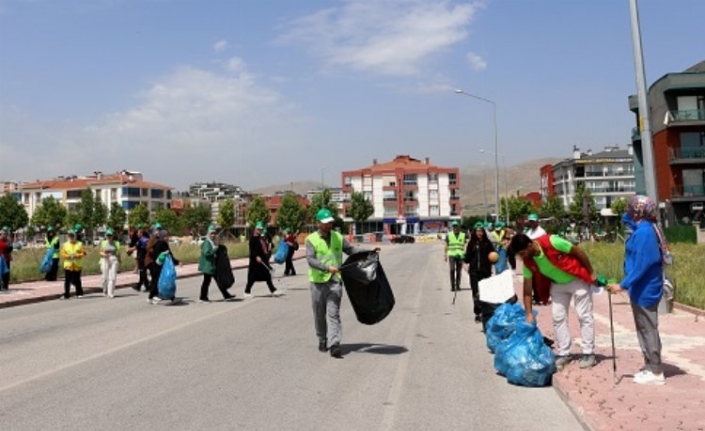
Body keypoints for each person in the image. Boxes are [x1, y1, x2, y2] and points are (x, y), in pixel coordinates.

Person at [508, 232, 598, 371]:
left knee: (584, 315)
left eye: (523, 252)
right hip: (557, 285)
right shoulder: (528, 262)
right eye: (519, 255)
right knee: (558, 317)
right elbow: (527, 290)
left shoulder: (552, 242)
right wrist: (529, 314)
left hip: (576, 280)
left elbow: (577, 251)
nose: (522, 257)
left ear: (530, 244)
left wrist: (591, 272)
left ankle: (588, 353)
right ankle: (564, 353)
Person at [607, 195, 667, 385]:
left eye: (631, 209)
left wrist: (623, 285)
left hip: (645, 288)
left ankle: (656, 371)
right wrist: (626, 216)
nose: (628, 211)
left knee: (648, 329)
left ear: (639, 211)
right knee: (643, 328)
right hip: (639, 288)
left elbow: (642, 264)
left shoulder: (644, 233)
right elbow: (628, 223)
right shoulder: (641, 228)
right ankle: (649, 365)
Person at [306, 208, 378, 358]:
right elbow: (311, 260)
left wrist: (369, 252)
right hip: (318, 282)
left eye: (330, 222)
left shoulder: (338, 237)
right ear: (318, 223)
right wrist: (326, 268)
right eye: (325, 223)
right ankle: (322, 338)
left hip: (335, 282)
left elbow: (351, 250)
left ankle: (335, 344)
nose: (329, 225)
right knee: (319, 315)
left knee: (333, 314)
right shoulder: (311, 239)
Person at [464, 222, 496, 323]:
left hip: (485, 271)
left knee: (485, 293)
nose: (480, 233)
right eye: (478, 231)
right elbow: (467, 259)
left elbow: (493, 255)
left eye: (481, 231)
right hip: (474, 272)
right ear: (474, 232)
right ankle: (477, 313)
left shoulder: (487, 243)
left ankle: (485, 312)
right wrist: (464, 257)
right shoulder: (471, 243)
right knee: (476, 293)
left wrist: (494, 258)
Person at [244, 221, 283, 298]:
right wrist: (256, 257)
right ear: (255, 229)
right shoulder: (253, 239)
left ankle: (273, 290)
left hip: (262, 260)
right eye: (258, 229)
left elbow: (264, 248)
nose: (259, 230)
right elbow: (252, 250)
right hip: (255, 262)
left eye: (261, 229)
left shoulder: (260, 238)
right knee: (252, 277)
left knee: (267, 275)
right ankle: (247, 291)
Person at [198, 225, 236, 302]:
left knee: (218, 280)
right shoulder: (207, 242)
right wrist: (215, 249)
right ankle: (203, 297)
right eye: (211, 233)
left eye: (214, 233)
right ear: (208, 234)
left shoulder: (212, 242)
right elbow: (207, 254)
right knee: (206, 282)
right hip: (208, 266)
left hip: (213, 265)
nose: (213, 235)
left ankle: (226, 295)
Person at [149, 228, 180, 304]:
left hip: (161, 266)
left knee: (164, 281)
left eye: (168, 236)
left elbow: (169, 254)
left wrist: (176, 261)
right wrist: (163, 255)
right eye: (166, 236)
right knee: (158, 281)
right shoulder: (160, 244)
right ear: (162, 236)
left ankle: (170, 297)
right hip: (159, 266)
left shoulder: (162, 243)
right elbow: (158, 255)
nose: (167, 238)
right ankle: (153, 296)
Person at [525, 213, 550, 305]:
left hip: (540, 258)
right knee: (533, 278)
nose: (532, 223)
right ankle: (536, 296)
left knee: (541, 278)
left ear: (537, 222)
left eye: (533, 221)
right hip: (531, 258)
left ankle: (542, 296)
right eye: (530, 221)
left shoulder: (541, 232)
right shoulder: (528, 232)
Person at [60, 230, 85, 299]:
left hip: (77, 264)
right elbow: (62, 254)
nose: (71, 237)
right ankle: (66, 294)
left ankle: (79, 293)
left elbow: (83, 253)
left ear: (75, 236)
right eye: (70, 236)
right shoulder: (65, 244)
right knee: (67, 280)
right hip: (68, 265)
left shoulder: (79, 244)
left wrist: (77, 255)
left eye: (72, 236)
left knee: (77, 279)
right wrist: (68, 256)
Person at [444, 221, 466, 292]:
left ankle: (458, 285)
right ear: (452, 227)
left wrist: (464, 254)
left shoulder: (463, 235)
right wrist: (445, 254)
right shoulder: (449, 235)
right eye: (454, 226)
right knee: (452, 270)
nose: (455, 227)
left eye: (456, 226)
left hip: (460, 255)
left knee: (459, 271)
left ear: (458, 226)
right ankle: (453, 286)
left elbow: (465, 245)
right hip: (452, 255)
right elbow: (446, 245)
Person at [99, 228, 121, 298]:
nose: (109, 237)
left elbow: (118, 253)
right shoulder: (103, 242)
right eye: (108, 235)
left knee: (113, 277)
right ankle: (105, 290)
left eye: (110, 235)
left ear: (113, 236)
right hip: (105, 259)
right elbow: (100, 252)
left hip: (114, 259)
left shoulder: (116, 243)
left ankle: (110, 292)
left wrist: (120, 261)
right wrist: (104, 254)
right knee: (105, 277)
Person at [128, 225, 150, 291]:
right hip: (144, 257)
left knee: (143, 272)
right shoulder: (146, 240)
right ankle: (139, 286)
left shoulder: (141, 240)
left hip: (141, 258)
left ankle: (147, 285)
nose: (137, 234)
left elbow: (135, 247)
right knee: (142, 272)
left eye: (138, 233)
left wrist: (128, 250)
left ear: (141, 233)